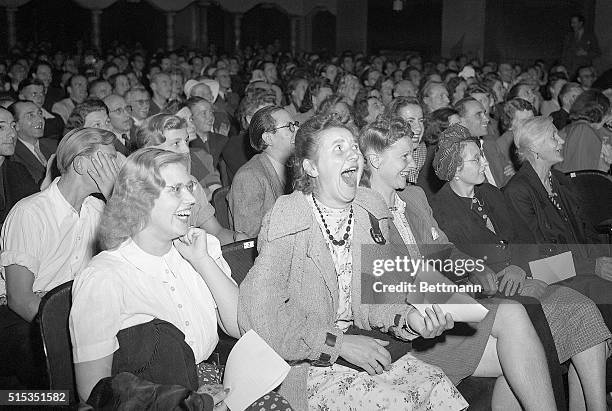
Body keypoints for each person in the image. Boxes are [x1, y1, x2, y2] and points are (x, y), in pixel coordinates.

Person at [239, 115, 471, 411]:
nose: (353, 154)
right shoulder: (288, 217)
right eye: (338, 148)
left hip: (364, 343)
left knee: (438, 384)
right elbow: (259, 317)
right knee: (396, 401)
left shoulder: (368, 207)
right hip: (306, 362)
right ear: (310, 167)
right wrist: (339, 344)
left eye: (353, 147)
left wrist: (410, 319)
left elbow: (376, 297)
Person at [70, 148, 292, 410]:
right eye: (175, 190)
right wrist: (193, 404)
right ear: (139, 199)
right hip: (154, 401)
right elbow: (94, 391)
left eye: (190, 186)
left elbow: (239, 327)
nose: (191, 198)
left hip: (209, 380)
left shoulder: (201, 246)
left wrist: (202, 261)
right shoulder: (104, 277)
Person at [429, 123, 611, 410]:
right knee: (573, 313)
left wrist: (519, 269)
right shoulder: (441, 211)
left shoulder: (489, 193)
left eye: (483, 156)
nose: (485, 163)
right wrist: (509, 277)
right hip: (494, 296)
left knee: (583, 309)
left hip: (522, 280)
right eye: (477, 159)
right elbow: (457, 271)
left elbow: (520, 240)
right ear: (454, 168)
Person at [0, 127, 119, 389]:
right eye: (109, 159)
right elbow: (20, 299)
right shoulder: (31, 213)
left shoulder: (98, 209)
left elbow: (130, 260)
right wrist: (72, 332)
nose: (116, 167)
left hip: (73, 307)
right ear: (80, 163)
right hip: (22, 316)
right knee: (58, 362)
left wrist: (114, 197)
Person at [504, 116, 612, 328]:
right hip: (556, 278)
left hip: (583, 268)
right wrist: (593, 266)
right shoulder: (518, 192)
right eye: (554, 137)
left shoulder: (560, 180)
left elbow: (586, 231)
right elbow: (534, 260)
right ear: (535, 149)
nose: (561, 141)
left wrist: (605, 258)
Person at [133, 113, 244, 245]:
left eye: (186, 141)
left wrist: (236, 238)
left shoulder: (191, 183)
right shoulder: (138, 190)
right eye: (176, 143)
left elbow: (216, 232)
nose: (186, 150)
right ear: (149, 151)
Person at [227, 106, 297, 237]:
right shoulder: (249, 177)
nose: (297, 130)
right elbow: (250, 236)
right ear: (268, 138)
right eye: (289, 126)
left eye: (295, 124)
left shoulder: (298, 167)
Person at [555, 89, 612, 173]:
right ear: (600, 110)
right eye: (608, 111)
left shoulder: (575, 127)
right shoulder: (583, 130)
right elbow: (583, 174)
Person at [0, 107, 38, 225]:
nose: (12, 134)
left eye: (13, 126)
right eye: (1, 127)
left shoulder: (17, 170)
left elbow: (36, 209)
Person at [7, 100, 57, 184]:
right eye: (31, 115)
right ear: (16, 125)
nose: (40, 120)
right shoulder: (11, 155)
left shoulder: (54, 145)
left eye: (40, 114)